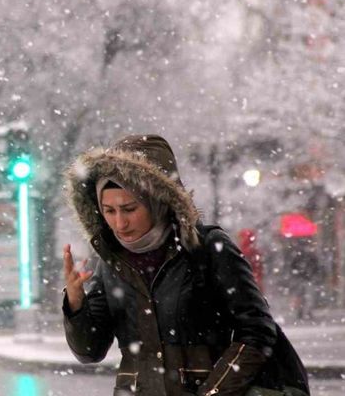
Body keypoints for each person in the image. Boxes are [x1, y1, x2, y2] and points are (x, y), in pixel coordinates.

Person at [62, 134, 308, 396]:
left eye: (130, 208)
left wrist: (214, 392)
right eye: (109, 211)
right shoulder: (111, 262)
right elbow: (89, 352)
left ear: (157, 200)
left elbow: (257, 332)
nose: (120, 223)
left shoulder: (207, 248)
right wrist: (76, 305)